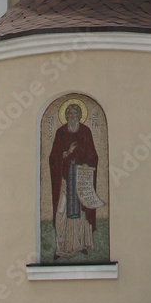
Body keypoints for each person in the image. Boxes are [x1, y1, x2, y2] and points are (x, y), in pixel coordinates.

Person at [48, 101, 99, 259]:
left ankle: (81, 245)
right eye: (69, 114)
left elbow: (93, 155)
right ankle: (61, 247)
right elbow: (53, 157)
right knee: (61, 210)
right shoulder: (61, 132)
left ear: (79, 116)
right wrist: (66, 153)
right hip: (64, 180)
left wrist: (86, 163)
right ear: (65, 116)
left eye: (75, 114)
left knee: (82, 210)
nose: (72, 116)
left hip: (81, 179)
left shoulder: (85, 131)